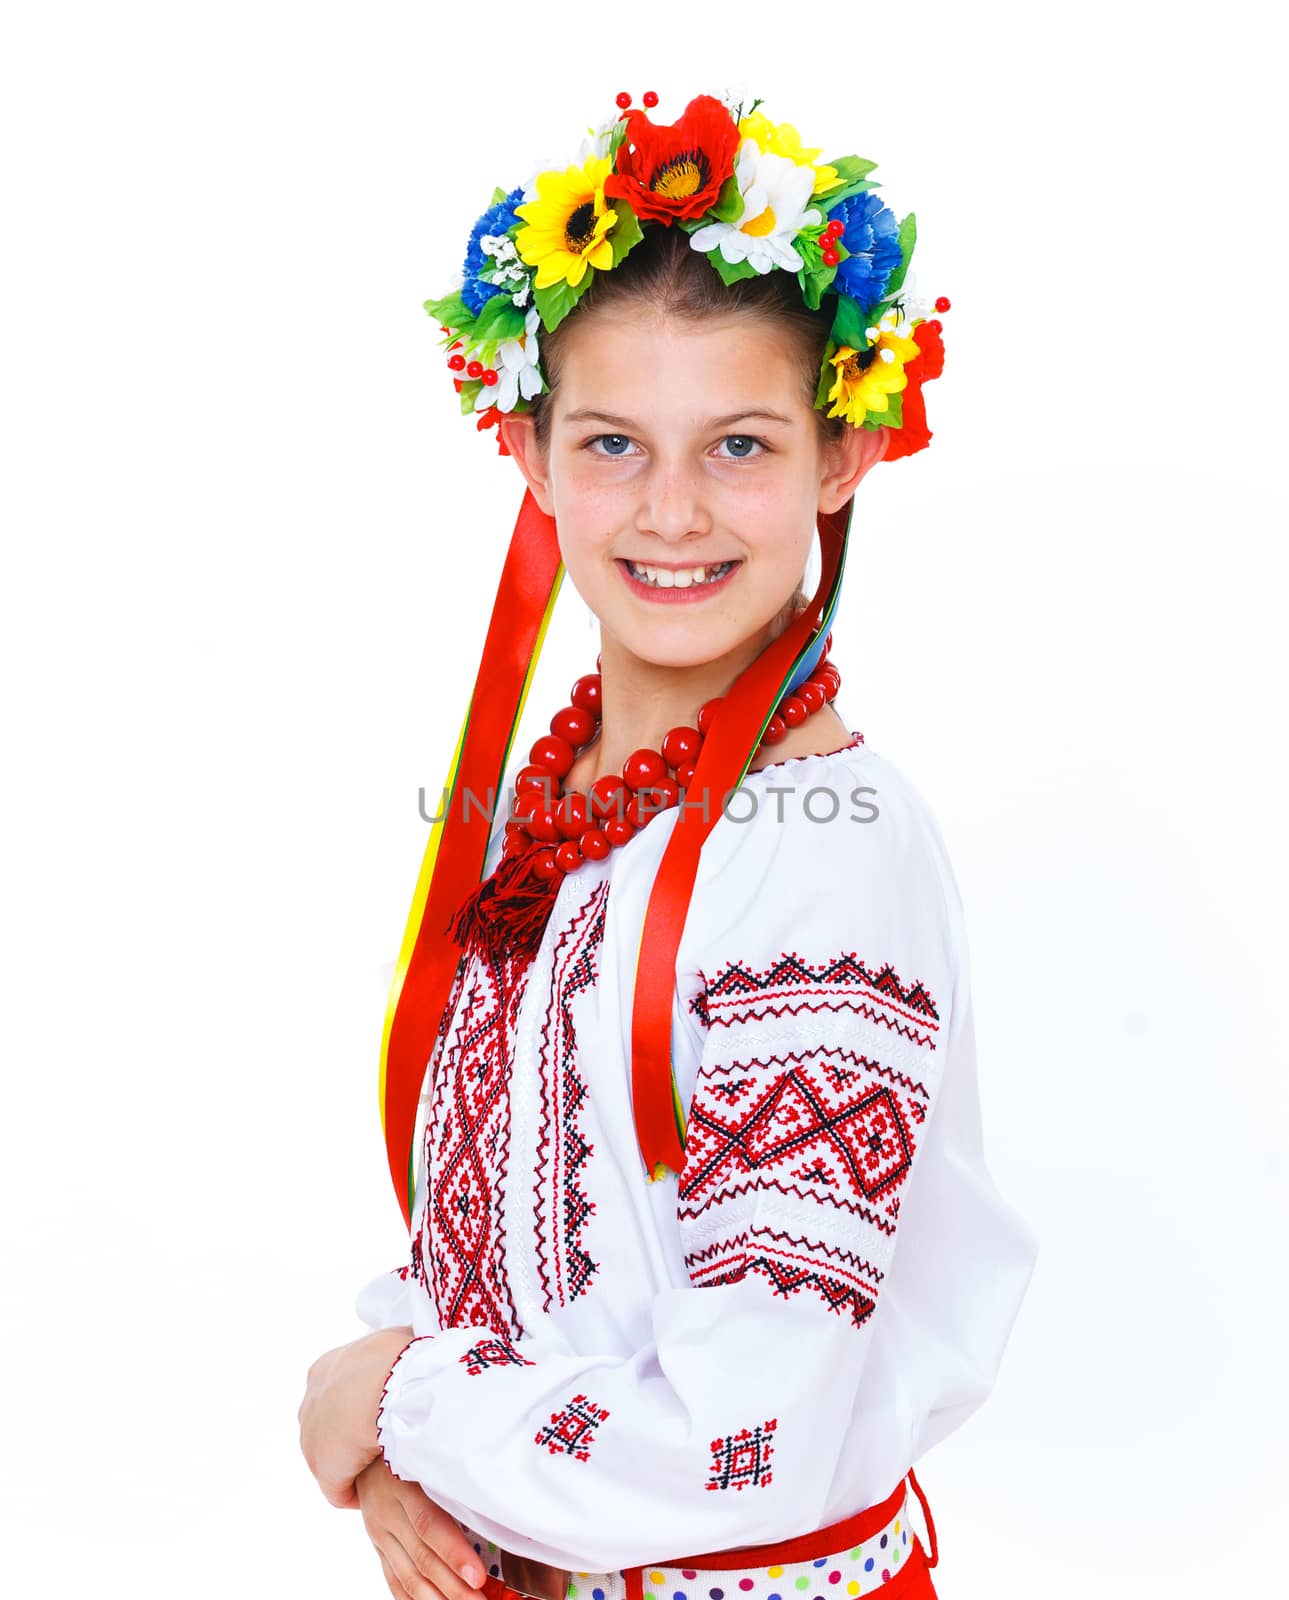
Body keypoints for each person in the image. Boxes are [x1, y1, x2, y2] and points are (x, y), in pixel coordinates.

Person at [298, 89, 1039, 1600]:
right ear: (527, 449)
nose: (674, 510)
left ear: (844, 455)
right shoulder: (555, 815)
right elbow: (512, 1233)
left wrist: (392, 1399)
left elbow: (739, 1435)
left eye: (742, 445)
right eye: (616, 443)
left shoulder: (821, 854)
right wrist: (396, 1430)